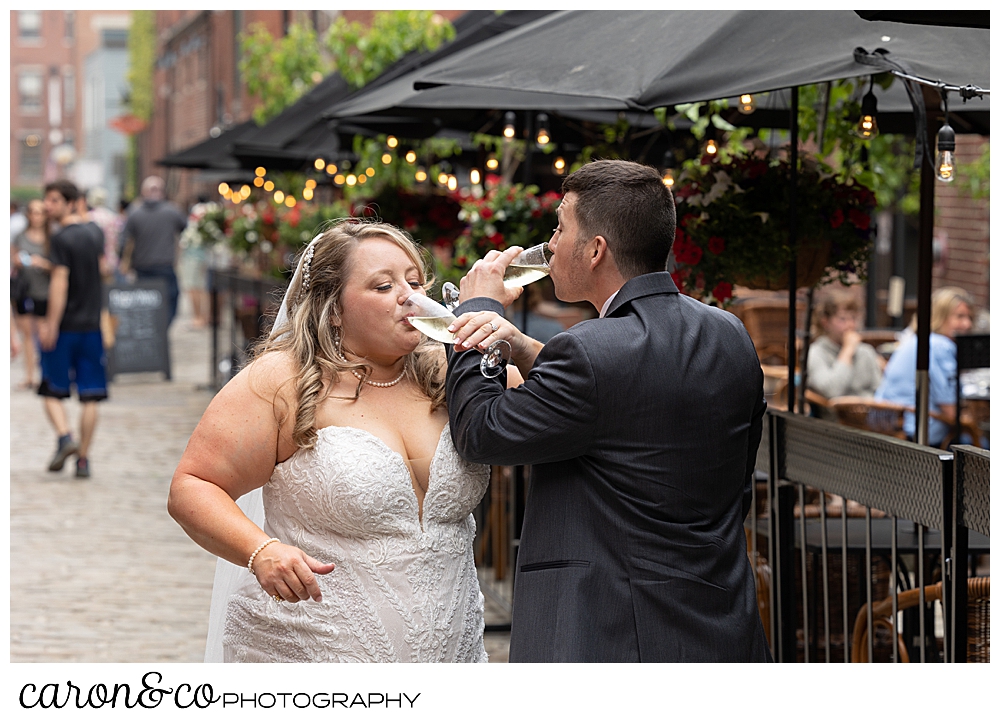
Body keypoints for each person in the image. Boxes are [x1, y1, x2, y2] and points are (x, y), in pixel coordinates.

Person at [444, 159, 771, 662]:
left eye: (559, 226)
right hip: (718, 618)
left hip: (610, 632)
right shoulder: (729, 334)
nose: (549, 244)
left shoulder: (590, 351)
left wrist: (474, 319)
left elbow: (481, 432)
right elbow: (634, 404)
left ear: (596, 250)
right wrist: (524, 348)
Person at [168, 220, 494, 663]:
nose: (410, 297)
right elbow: (193, 486)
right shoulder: (284, 381)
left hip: (451, 653)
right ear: (334, 309)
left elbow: (559, 405)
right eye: (383, 286)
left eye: (415, 283)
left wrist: (513, 343)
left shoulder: (452, 374)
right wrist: (260, 550)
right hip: (317, 655)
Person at [38, 179, 109, 479]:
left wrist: (51, 324)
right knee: (90, 395)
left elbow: (60, 282)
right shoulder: (95, 233)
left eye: (53, 200)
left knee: (51, 388)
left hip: (67, 325)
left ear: (70, 202)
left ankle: (65, 437)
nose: (47, 206)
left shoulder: (61, 238)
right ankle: (83, 460)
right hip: (91, 325)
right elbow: (104, 271)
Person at [875, 286, 975, 447]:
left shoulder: (917, 340)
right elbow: (951, 411)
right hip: (919, 433)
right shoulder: (940, 345)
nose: (967, 324)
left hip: (888, 425)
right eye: (959, 317)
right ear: (939, 316)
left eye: (969, 317)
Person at [119, 176, 187, 326]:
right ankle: (163, 329)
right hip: (164, 267)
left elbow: (123, 240)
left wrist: (123, 262)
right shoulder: (172, 211)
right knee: (170, 301)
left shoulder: (134, 212)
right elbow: (187, 229)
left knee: (145, 306)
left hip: (143, 268)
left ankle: (153, 333)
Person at [805, 294, 883, 414]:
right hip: (834, 424)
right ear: (825, 322)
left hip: (869, 419)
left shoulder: (866, 351)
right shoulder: (815, 353)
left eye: (853, 318)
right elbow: (832, 391)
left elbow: (880, 390)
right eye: (843, 319)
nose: (850, 325)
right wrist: (847, 351)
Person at [10, 198, 54, 389]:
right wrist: (18, 261)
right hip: (24, 290)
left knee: (44, 334)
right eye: (33, 212)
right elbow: (13, 258)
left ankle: (46, 373)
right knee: (27, 334)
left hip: (44, 290)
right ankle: (30, 375)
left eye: (40, 212)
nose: (37, 216)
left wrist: (41, 263)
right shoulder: (20, 236)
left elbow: (58, 267)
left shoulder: (52, 238)